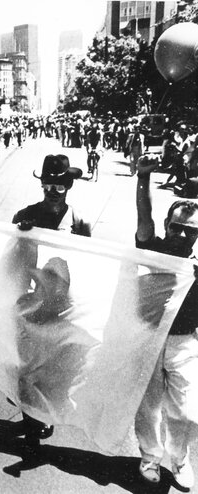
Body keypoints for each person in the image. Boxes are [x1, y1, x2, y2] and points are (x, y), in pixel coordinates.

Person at [12, 154, 91, 441]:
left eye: (58, 187)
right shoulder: (25, 215)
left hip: (59, 306)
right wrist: (20, 236)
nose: (52, 192)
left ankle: (42, 418)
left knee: (50, 369)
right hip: (30, 302)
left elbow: (88, 262)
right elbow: (11, 258)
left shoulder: (79, 221)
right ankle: (31, 419)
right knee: (25, 367)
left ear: (68, 187)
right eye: (47, 186)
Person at [133, 155, 198, 490]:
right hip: (149, 338)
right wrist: (143, 177)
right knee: (149, 407)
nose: (183, 234)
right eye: (177, 227)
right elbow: (144, 218)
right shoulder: (152, 248)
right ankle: (149, 457)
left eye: (191, 230)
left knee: (186, 413)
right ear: (166, 226)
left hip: (185, 343)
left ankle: (180, 460)